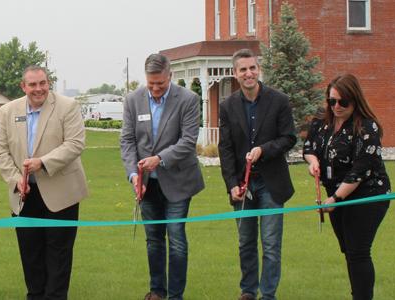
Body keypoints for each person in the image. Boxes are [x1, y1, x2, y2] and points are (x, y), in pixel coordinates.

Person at [0, 65, 88, 300]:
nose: (39, 89)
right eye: (33, 84)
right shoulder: (7, 110)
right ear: (23, 86)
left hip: (61, 194)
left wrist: (42, 162)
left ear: (49, 83)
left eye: (43, 83)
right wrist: (16, 180)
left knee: (59, 255)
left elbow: (75, 143)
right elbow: (0, 151)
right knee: (30, 253)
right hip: (24, 195)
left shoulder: (68, 106)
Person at [119, 53, 204, 300]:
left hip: (178, 181)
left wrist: (160, 159)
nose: (155, 89)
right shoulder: (133, 100)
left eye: (161, 84)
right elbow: (127, 140)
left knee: (176, 238)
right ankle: (157, 291)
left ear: (170, 76)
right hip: (146, 184)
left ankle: (176, 295)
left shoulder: (188, 99)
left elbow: (188, 141)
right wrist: (134, 174)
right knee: (153, 239)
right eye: (151, 83)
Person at [217, 49, 296, 300]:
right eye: (243, 69)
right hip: (243, 185)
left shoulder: (279, 100)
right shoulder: (227, 106)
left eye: (252, 68)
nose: (248, 73)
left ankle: (268, 295)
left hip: (272, 184)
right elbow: (226, 149)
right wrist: (231, 184)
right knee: (245, 242)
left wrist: (264, 149)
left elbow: (288, 138)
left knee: (271, 245)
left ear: (258, 69)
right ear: (235, 74)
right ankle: (248, 291)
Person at [303, 73, 390, 300]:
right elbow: (309, 147)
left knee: (359, 252)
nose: (337, 107)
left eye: (343, 102)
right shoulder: (323, 121)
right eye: (332, 101)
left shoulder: (367, 127)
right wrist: (313, 163)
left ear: (355, 100)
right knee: (348, 251)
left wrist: (336, 200)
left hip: (368, 195)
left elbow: (360, 170)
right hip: (336, 196)